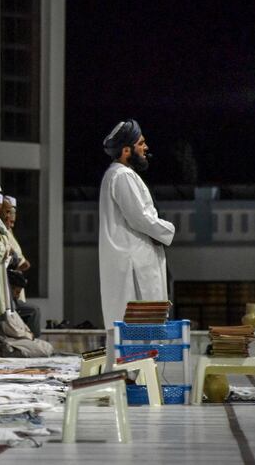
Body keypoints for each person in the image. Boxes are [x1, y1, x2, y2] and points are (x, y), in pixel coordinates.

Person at [98, 119, 175, 365]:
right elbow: (139, 217)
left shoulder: (121, 174)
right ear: (126, 150)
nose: (145, 147)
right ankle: (129, 379)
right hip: (132, 264)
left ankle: (128, 378)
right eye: (140, 143)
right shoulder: (121, 175)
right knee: (133, 325)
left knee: (128, 328)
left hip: (133, 260)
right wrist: (168, 229)